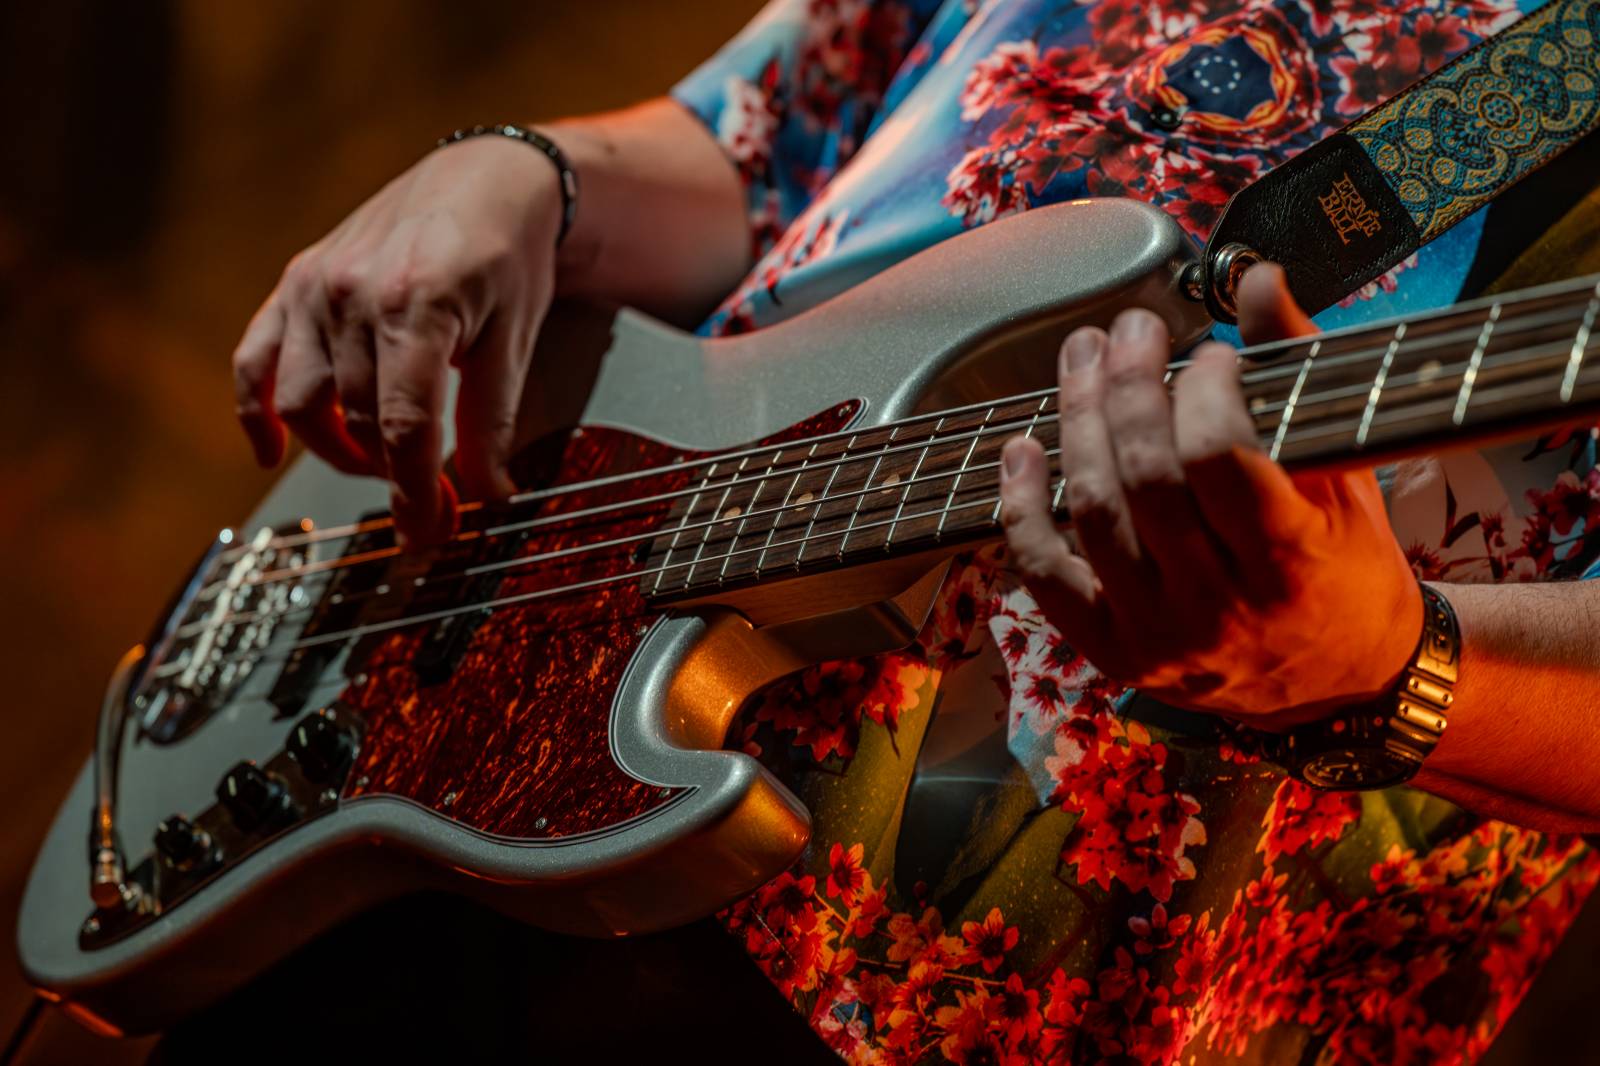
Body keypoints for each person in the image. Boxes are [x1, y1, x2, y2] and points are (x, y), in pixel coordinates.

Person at [230, 0, 1600, 1061]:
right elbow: (783, 132)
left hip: (962, 992)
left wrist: (1390, 663)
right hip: (480, 721)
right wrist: (529, 178)